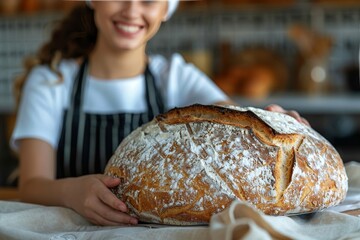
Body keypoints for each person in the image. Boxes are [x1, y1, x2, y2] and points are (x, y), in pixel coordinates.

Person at [11, 0, 308, 226]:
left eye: (149, 0)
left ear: (167, 9)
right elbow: (31, 186)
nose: (131, 10)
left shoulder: (175, 77)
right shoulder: (51, 81)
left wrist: (275, 120)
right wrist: (72, 193)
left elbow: (239, 122)